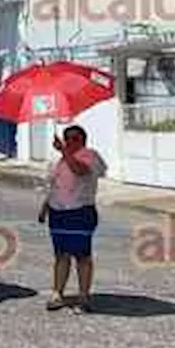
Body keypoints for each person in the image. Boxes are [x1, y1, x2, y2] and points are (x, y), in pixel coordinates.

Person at [42, 124, 107, 314]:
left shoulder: (90, 156)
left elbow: (80, 170)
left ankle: (84, 295)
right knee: (61, 254)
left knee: (82, 255)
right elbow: (55, 187)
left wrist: (64, 152)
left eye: (74, 138)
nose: (70, 142)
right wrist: (45, 206)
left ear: (83, 140)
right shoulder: (59, 162)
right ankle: (57, 293)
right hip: (58, 212)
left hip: (80, 212)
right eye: (67, 138)